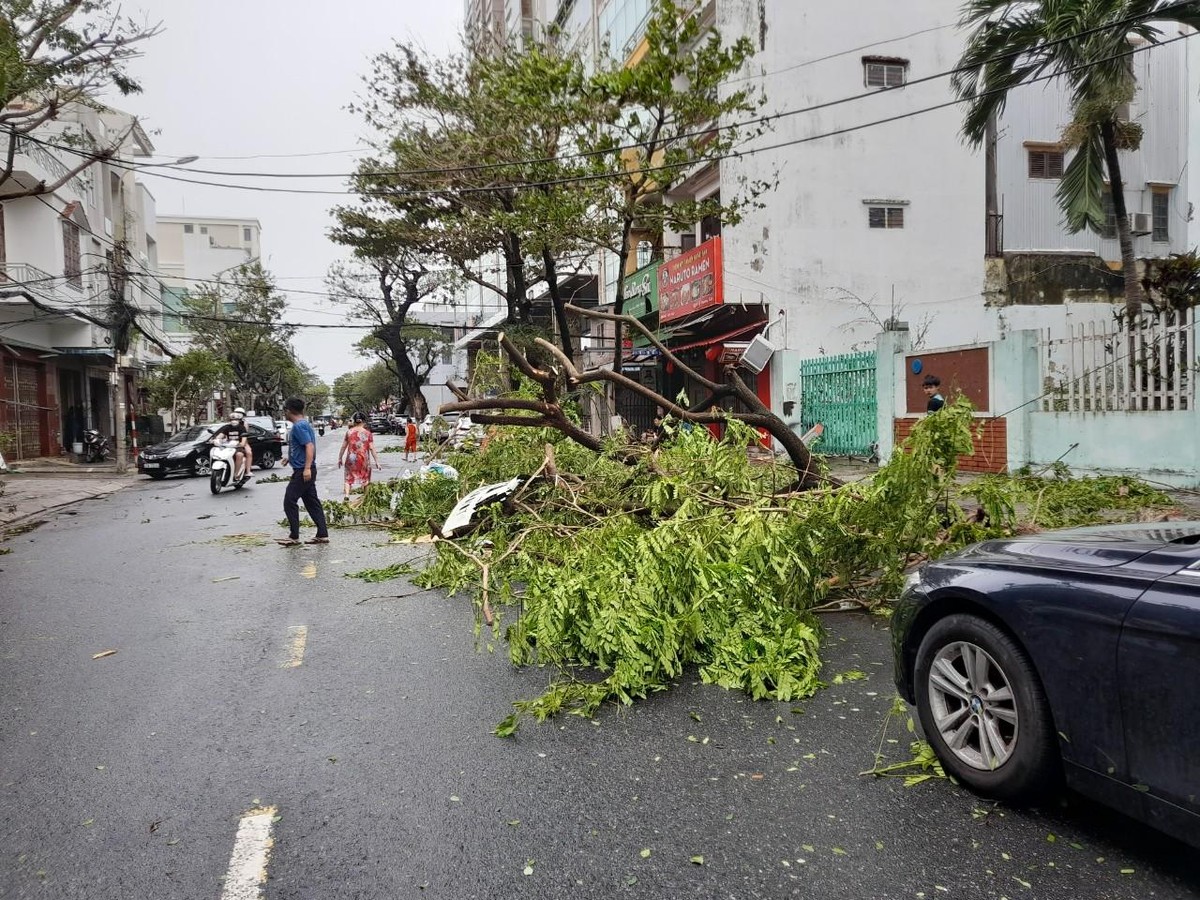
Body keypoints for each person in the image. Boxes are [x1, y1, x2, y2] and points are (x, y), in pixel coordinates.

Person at [278, 397, 330, 546]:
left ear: (289, 411)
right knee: (312, 502)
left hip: (303, 470)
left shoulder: (299, 426)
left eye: (285, 411)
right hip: (305, 468)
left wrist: (306, 468)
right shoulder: (303, 424)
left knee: (289, 501)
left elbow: (309, 446)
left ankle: (294, 536)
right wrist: (291, 458)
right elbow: (302, 447)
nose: (285, 413)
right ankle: (322, 534)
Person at [337, 413, 381, 502]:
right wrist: (377, 461)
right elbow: (372, 448)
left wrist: (340, 458)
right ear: (363, 421)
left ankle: (347, 495)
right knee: (365, 478)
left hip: (351, 459)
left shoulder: (349, 432)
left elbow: (343, 446)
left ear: (354, 421)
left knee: (348, 478)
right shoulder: (367, 433)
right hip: (363, 460)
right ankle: (366, 497)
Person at [210, 407, 252, 479]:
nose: (234, 420)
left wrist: (242, 443)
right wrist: (215, 440)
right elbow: (221, 435)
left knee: (247, 453)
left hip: (239, 444)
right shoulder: (227, 427)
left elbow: (244, 437)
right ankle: (211, 469)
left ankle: (245, 472)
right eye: (232, 419)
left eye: (236, 419)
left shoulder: (243, 426)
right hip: (229, 445)